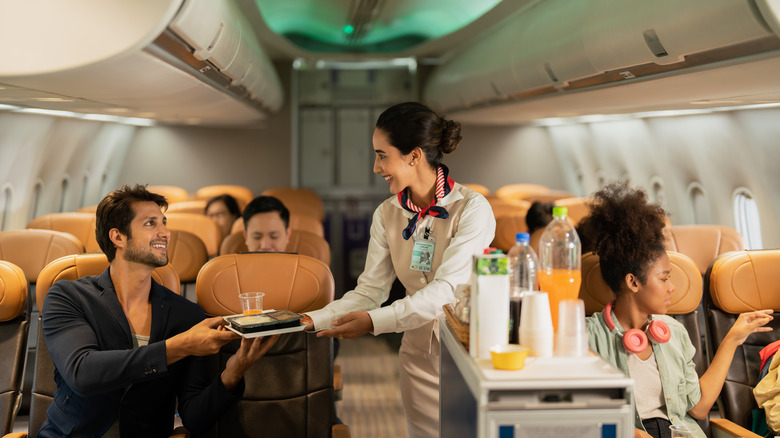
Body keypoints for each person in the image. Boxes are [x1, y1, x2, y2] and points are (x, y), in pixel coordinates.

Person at [301, 101, 496, 438]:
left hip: (467, 351)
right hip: (418, 350)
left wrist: (373, 323)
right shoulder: (387, 214)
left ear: (414, 156)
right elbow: (370, 291)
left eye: (382, 155)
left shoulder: (472, 209)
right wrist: (312, 319)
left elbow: (446, 291)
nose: (376, 168)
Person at [39, 185, 278, 437]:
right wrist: (180, 346)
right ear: (118, 237)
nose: (166, 232)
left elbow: (195, 418)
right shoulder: (69, 297)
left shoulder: (186, 316)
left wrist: (235, 370)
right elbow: (82, 372)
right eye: (151, 223)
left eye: (164, 223)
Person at [581, 181, 773, 438]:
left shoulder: (672, 332)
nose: (672, 288)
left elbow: (700, 408)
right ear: (633, 282)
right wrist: (629, 431)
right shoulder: (587, 336)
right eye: (664, 278)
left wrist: (733, 339)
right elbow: (579, 410)